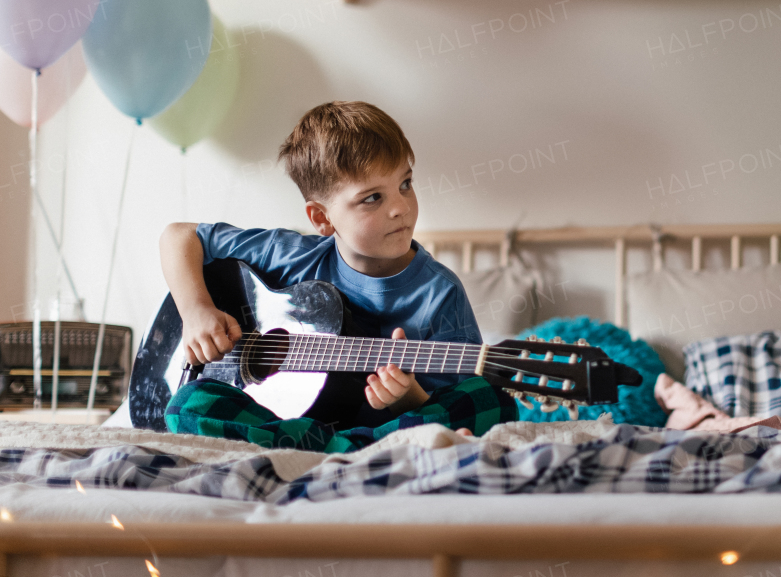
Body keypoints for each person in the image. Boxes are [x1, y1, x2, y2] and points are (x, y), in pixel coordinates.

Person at [160, 100, 516, 451]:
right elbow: (179, 236)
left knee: (492, 399)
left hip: (384, 424)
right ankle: (364, 451)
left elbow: (448, 400)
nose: (400, 207)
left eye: (405, 183)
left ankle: (328, 449)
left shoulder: (440, 293)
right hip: (278, 416)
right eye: (373, 197)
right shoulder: (291, 255)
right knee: (186, 404)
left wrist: (406, 395)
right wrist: (196, 311)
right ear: (321, 218)